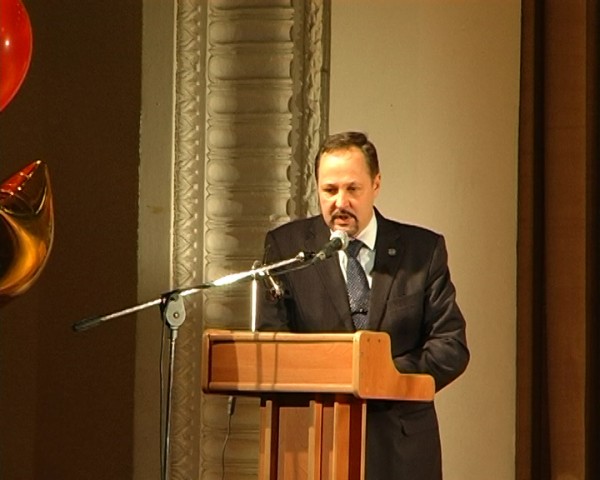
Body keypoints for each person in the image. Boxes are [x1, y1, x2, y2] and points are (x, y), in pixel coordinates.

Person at [257, 131, 469, 480]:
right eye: (329, 190)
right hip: (315, 444)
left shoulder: (422, 251)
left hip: (401, 449)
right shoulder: (288, 250)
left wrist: (381, 374)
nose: (340, 202)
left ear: (376, 184)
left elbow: (451, 347)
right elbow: (272, 344)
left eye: (352, 189)